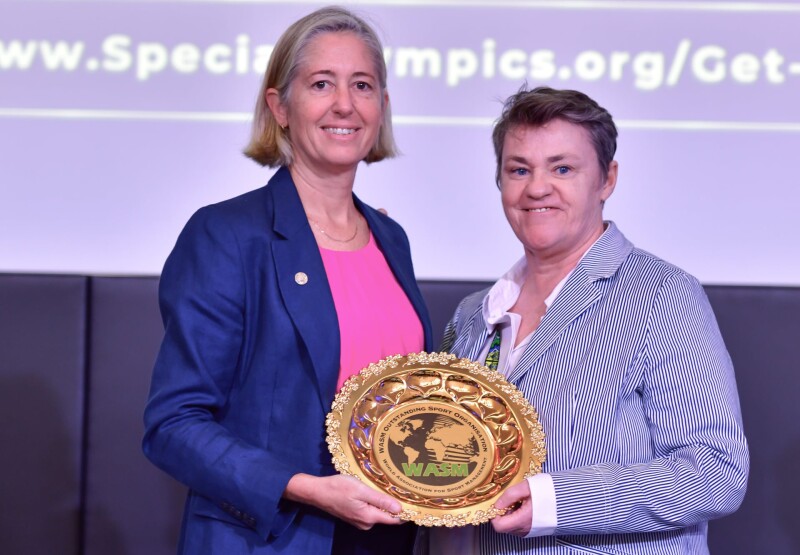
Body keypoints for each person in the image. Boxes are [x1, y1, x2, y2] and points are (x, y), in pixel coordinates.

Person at [142, 6, 433, 554]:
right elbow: (173, 425)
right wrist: (309, 490)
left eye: (363, 85)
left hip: (388, 539)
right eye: (321, 83)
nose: (344, 103)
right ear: (280, 105)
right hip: (275, 536)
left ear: (382, 107)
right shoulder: (226, 235)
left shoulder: (391, 239)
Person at [425, 86, 748, 554]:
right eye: (519, 169)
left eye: (562, 168)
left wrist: (554, 501)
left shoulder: (661, 294)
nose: (537, 187)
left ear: (607, 179)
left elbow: (715, 471)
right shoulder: (474, 313)